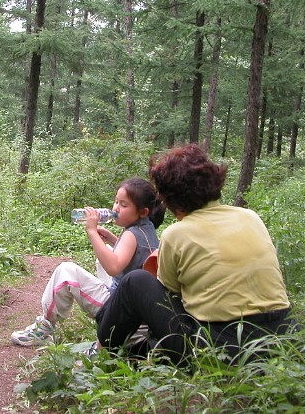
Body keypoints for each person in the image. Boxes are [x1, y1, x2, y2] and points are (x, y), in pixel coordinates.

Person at [96, 144, 294, 367]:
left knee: (135, 282)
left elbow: (169, 299)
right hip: (281, 339)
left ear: (169, 199)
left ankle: (101, 354)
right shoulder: (250, 217)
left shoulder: (176, 233)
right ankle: (138, 353)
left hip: (220, 351)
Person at [11, 177, 165, 347]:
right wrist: (113, 240)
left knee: (66, 272)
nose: (116, 208)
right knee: (106, 256)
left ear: (142, 212)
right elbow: (138, 256)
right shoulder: (146, 228)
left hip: (119, 310)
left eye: (124, 205)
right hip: (139, 314)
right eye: (116, 202)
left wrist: (92, 232)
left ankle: (44, 327)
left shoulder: (131, 234)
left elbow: (113, 267)